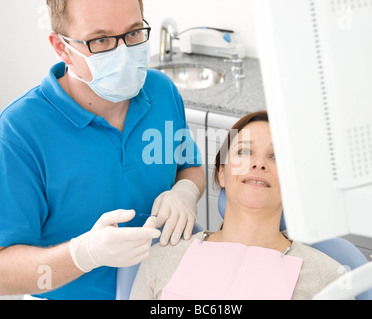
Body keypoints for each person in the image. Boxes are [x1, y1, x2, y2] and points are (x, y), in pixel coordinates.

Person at [0, 0, 205, 300]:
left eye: (134, 33)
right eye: (101, 40)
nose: (123, 52)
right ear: (61, 47)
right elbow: (4, 275)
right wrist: (83, 254)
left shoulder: (161, 91)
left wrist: (185, 191)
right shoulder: (19, 132)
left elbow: (189, 166)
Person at [129, 110, 346, 300]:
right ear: (222, 173)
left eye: (276, 156)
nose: (258, 163)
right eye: (243, 152)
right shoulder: (161, 259)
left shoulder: (327, 279)